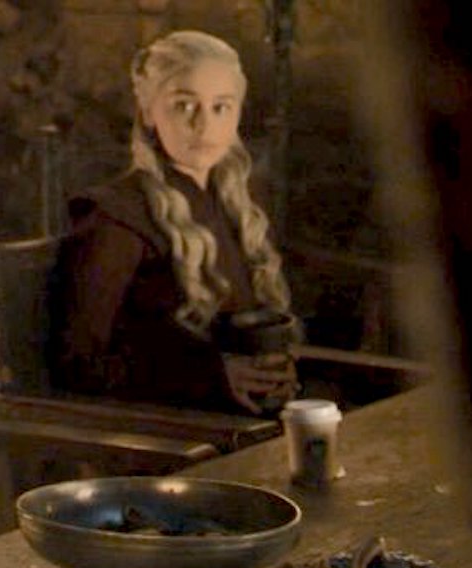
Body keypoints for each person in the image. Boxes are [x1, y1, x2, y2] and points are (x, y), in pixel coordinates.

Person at [54, 30, 300, 416]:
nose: (204, 125)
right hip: (174, 433)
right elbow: (78, 363)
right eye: (184, 105)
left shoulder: (232, 206)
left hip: (244, 420)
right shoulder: (115, 217)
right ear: (149, 112)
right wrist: (211, 377)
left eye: (221, 107)